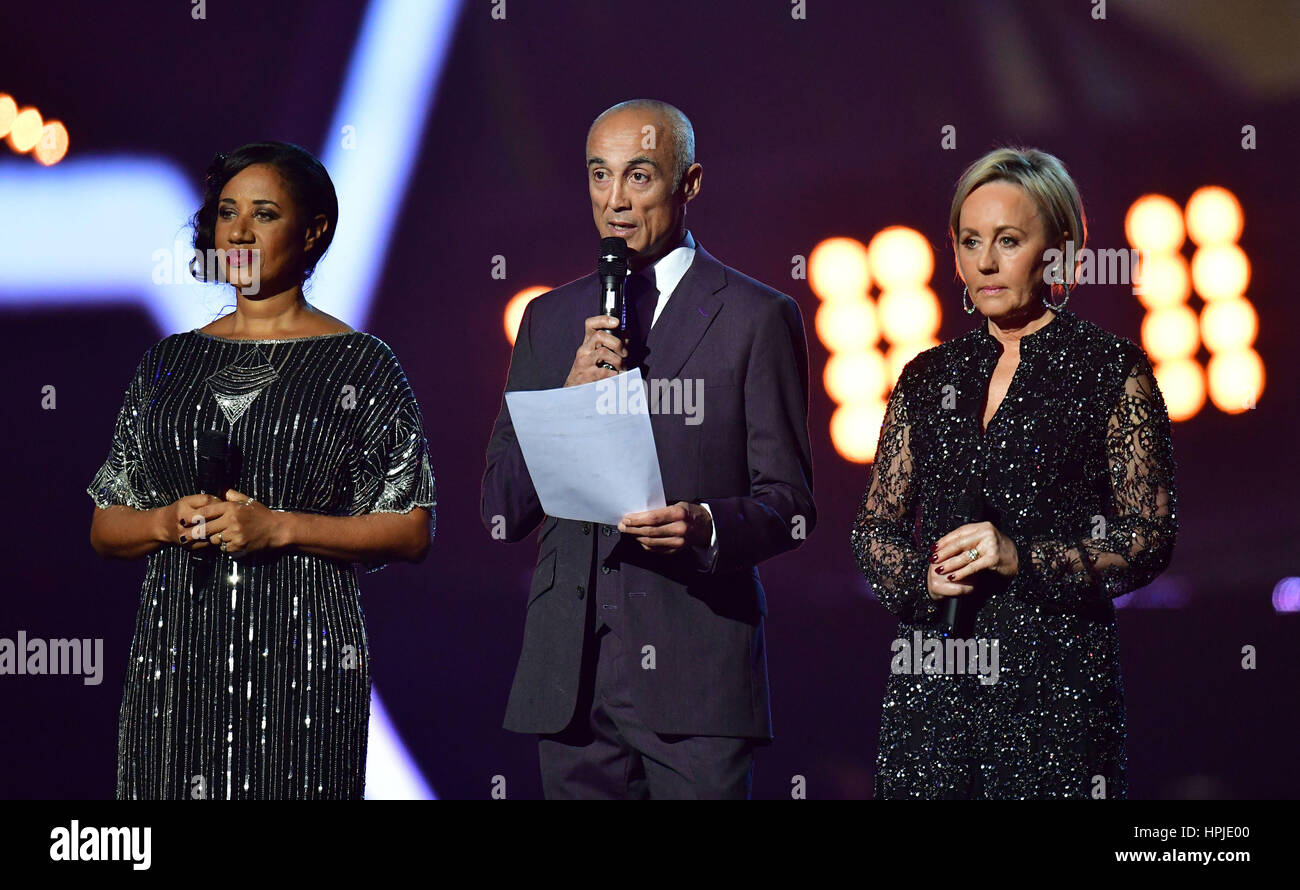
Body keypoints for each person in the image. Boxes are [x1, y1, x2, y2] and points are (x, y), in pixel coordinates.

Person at [481, 100, 815, 799]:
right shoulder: (549, 319)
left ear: (689, 184)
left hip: (695, 674)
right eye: (599, 176)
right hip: (569, 681)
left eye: (639, 177)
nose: (614, 202)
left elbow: (790, 506)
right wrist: (570, 396)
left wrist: (706, 524)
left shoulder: (757, 317)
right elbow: (502, 508)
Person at [87, 141, 436, 799]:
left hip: (304, 664)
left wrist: (277, 528)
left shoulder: (361, 363)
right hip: (176, 659)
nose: (240, 230)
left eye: (265, 213)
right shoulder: (168, 363)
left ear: (312, 232)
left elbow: (411, 529)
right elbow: (106, 524)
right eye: (227, 212)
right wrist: (165, 521)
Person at [853, 147, 1178, 799]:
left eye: (1008, 240)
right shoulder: (928, 376)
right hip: (933, 691)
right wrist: (921, 578)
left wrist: (1021, 560)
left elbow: (1147, 537)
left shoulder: (1109, 371)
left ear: (1057, 249)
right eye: (970, 241)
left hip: (1054, 692)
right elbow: (875, 526)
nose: (986, 261)